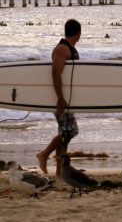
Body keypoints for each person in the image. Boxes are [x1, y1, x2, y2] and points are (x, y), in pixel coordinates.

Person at [36, 19, 81, 177]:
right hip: (61, 98)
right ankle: (44, 154)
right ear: (78, 34)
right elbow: (55, 73)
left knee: (65, 134)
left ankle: (59, 172)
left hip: (65, 98)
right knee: (71, 131)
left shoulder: (67, 48)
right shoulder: (63, 49)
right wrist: (60, 98)